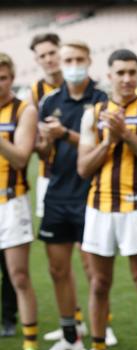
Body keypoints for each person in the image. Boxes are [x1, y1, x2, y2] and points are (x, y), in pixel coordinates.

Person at [78, 49, 137, 350]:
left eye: (132, 72)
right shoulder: (94, 112)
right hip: (99, 207)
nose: (127, 78)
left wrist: (126, 134)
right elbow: (83, 168)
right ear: (110, 75)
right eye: (121, 73)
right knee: (99, 283)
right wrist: (109, 141)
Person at [37, 40, 109, 350]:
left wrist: (64, 134)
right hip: (56, 193)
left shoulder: (102, 99)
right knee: (57, 269)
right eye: (68, 59)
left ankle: (100, 333)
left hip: (90, 193)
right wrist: (45, 140)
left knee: (93, 270)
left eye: (79, 58)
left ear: (89, 60)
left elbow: (104, 145)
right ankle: (70, 338)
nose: (73, 64)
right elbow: (41, 151)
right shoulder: (50, 101)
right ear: (60, 63)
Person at [0, 52, 40, 350]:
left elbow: (21, 158)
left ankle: (29, 346)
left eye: (3, 77)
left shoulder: (23, 111)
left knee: (19, 276)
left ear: (12, 78)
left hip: (11, 202)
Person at [27, 33, 64, 219]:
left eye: (52, 53)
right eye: (42, 56)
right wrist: (44, 140)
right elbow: (34, 142)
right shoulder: (35, 92)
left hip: (81, 173)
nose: (49, 59)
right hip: (49, 173)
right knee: (54, 238)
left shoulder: (83, 86)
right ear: (36, 60)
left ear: (61, 51)